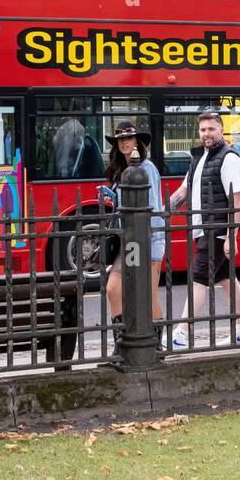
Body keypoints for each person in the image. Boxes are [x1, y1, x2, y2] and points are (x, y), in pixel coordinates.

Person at [167, 111, 240, 347]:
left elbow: (237, 200)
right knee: (226, 279)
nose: (206, 134)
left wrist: (231, 236)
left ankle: (182, 332)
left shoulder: (229, 158)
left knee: (198, 279)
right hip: (202, 228)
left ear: (221, 130)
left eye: (211, 129)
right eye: (203, 129)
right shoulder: (198, 158)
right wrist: (162, 211)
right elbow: (183, 191)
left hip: (217, 230)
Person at [100, 122, 164, 355]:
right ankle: (121, 342)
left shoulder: (147, 168)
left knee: (148, 294)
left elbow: (154, 207)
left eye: (130, 138)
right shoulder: (120, 170)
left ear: (137, 141)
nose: (125, 142)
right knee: (113, 289)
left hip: (150, 237)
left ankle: (156, 346)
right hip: (127, 239)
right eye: (121, 139)